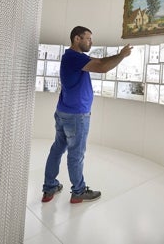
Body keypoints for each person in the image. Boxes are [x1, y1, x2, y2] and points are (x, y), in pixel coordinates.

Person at [42, 26, 132, 204]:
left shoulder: (72, 57)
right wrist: (122, 55)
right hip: (76, 116)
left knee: (57, 149)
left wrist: (116, 56)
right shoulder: (75, 57)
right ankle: (78, 192)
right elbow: (102, 66)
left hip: (64, 112)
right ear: (77, 39)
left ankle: (49, 188)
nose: (91, 42)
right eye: (88, 38)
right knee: (76, 154)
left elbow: (99, 60)